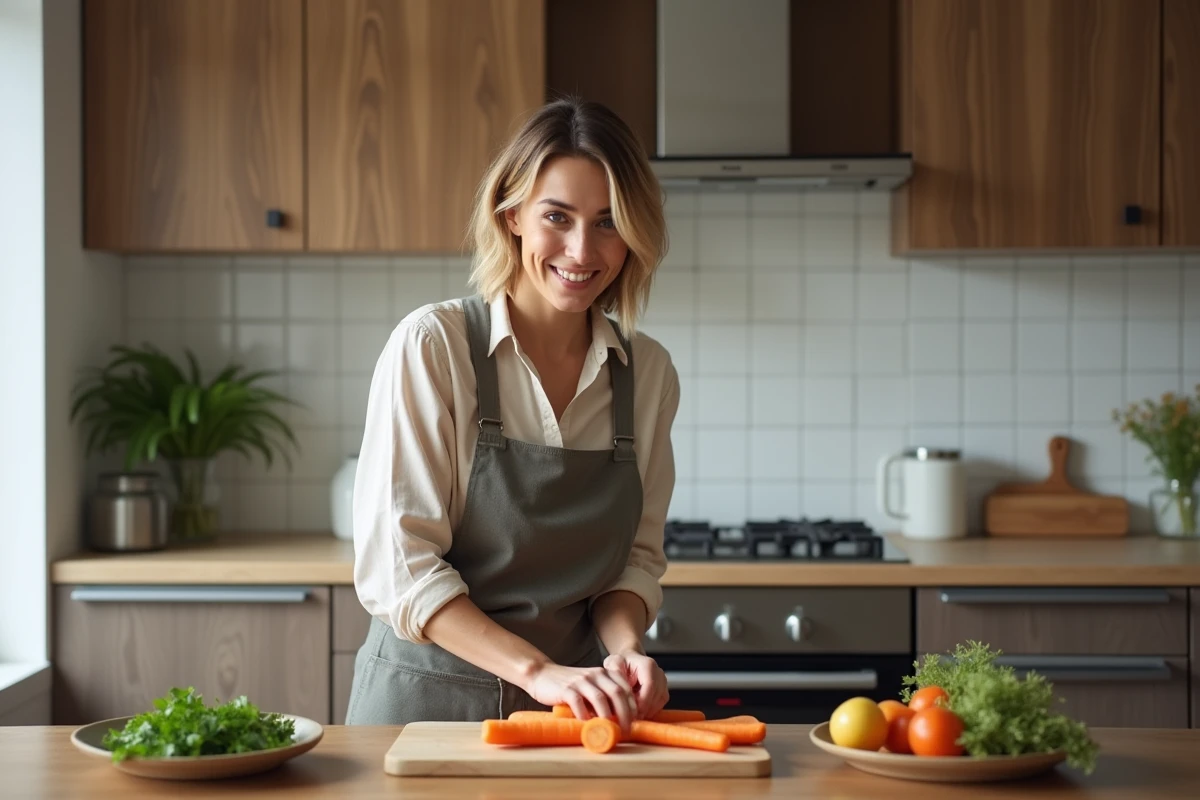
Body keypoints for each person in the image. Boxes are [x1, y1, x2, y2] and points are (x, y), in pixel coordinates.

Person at [345, 98, 680, 735]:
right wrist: (537, 672)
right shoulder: (435, 346)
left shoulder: (649, 375)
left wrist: (625, 650)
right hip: (424, 715)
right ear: (513, 216)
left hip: (576, 716)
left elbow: (632, 561)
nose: (582, 250)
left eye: (608, 222)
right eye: (558, 216)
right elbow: (401, 567)